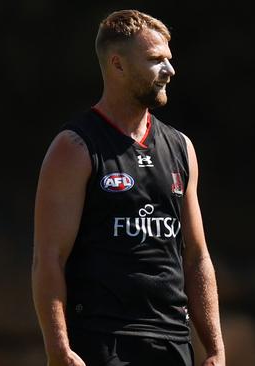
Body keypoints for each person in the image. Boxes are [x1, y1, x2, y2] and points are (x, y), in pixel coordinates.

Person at [32, 9, 225, 366]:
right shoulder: (74, 148)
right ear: (118, 65)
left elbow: (197, 255)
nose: (170, 70)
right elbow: (48, 258)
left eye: (169, 59)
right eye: (155, 60)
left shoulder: (181, 147)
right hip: (104, 342)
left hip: (172, 340)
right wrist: (58, 349)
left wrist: (215, 348)